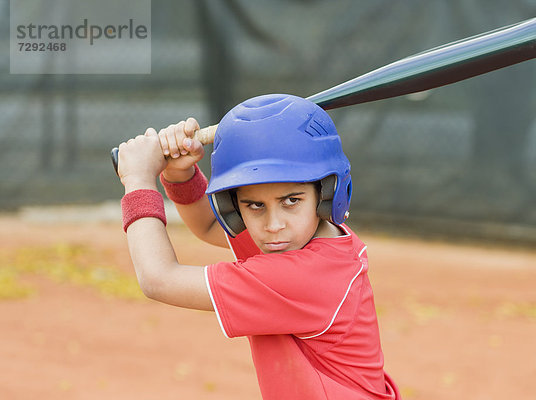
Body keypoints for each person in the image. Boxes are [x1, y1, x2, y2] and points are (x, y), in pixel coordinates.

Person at [117, 94, 400, 399]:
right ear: (232, 206)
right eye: (254, 205)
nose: (273, 224)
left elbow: (159, 279)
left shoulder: (301, 276)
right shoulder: (313, 237)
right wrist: (179, 173)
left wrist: (138, 180)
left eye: (291, 200)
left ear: (328, 193)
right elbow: (208, 225)